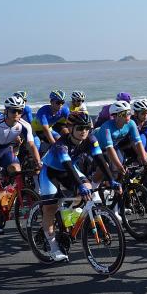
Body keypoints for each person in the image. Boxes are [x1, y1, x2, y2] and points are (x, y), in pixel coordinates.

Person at [37, 112, 118, 262]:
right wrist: (80, 186)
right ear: (70, 128)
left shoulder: (91, 139)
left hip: (71, 170)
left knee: (88, 189)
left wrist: (112, 180)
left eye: (87, 128)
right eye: (80, 128)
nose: (84, 131)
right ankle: (53, 246)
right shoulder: (61, 145)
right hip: (51, 173)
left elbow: (100, 160)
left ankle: (69, 212)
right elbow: (67, 166)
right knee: (50, 208)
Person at [0, 96, 41, 235]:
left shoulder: (24, 125)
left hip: (5, 151)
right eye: (13, 111)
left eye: (20, 111)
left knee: (17, 170)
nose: (17, 114)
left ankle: (7, 192)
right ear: (6, 111)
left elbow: (31, 145)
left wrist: (38, 161)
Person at [94, 100, 147, 176]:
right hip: (96, 147)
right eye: (123, 114)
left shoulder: (131, 123)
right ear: (115, 116)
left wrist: (144, 159)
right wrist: (119, 166)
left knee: (119, 170)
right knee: (104, 168)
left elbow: (138, 142)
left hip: (113, 146)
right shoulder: (107, 127)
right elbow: (109, 148)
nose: (127, 116)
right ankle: (93, 183)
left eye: (129, 113)